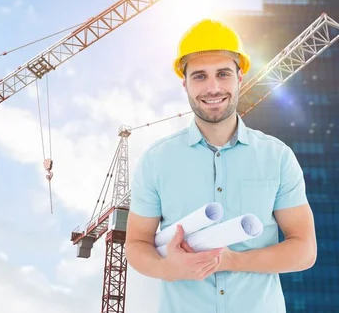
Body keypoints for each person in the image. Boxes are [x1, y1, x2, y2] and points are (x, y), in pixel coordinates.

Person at [125, 18, 318, 313]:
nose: (213, 87)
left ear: (239, 78)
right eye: (200, 76)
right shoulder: (156, 161)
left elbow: (304, 249)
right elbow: (137, 245)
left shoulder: (277, 157)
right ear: (185, 83)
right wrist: (170, 269)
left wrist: (232, 260)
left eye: (223, 74)